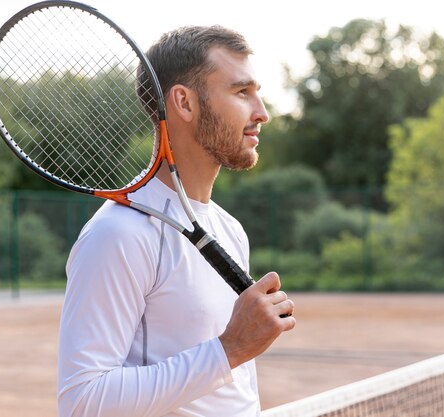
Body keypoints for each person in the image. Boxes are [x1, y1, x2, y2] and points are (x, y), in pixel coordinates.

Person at [57, 25, 296, 417]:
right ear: (184, 103)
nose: (262, 113)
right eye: (241, 92)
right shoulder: (118, 234)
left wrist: (234, 351)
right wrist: (230, 347)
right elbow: (82, 402)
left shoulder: (230, 229)